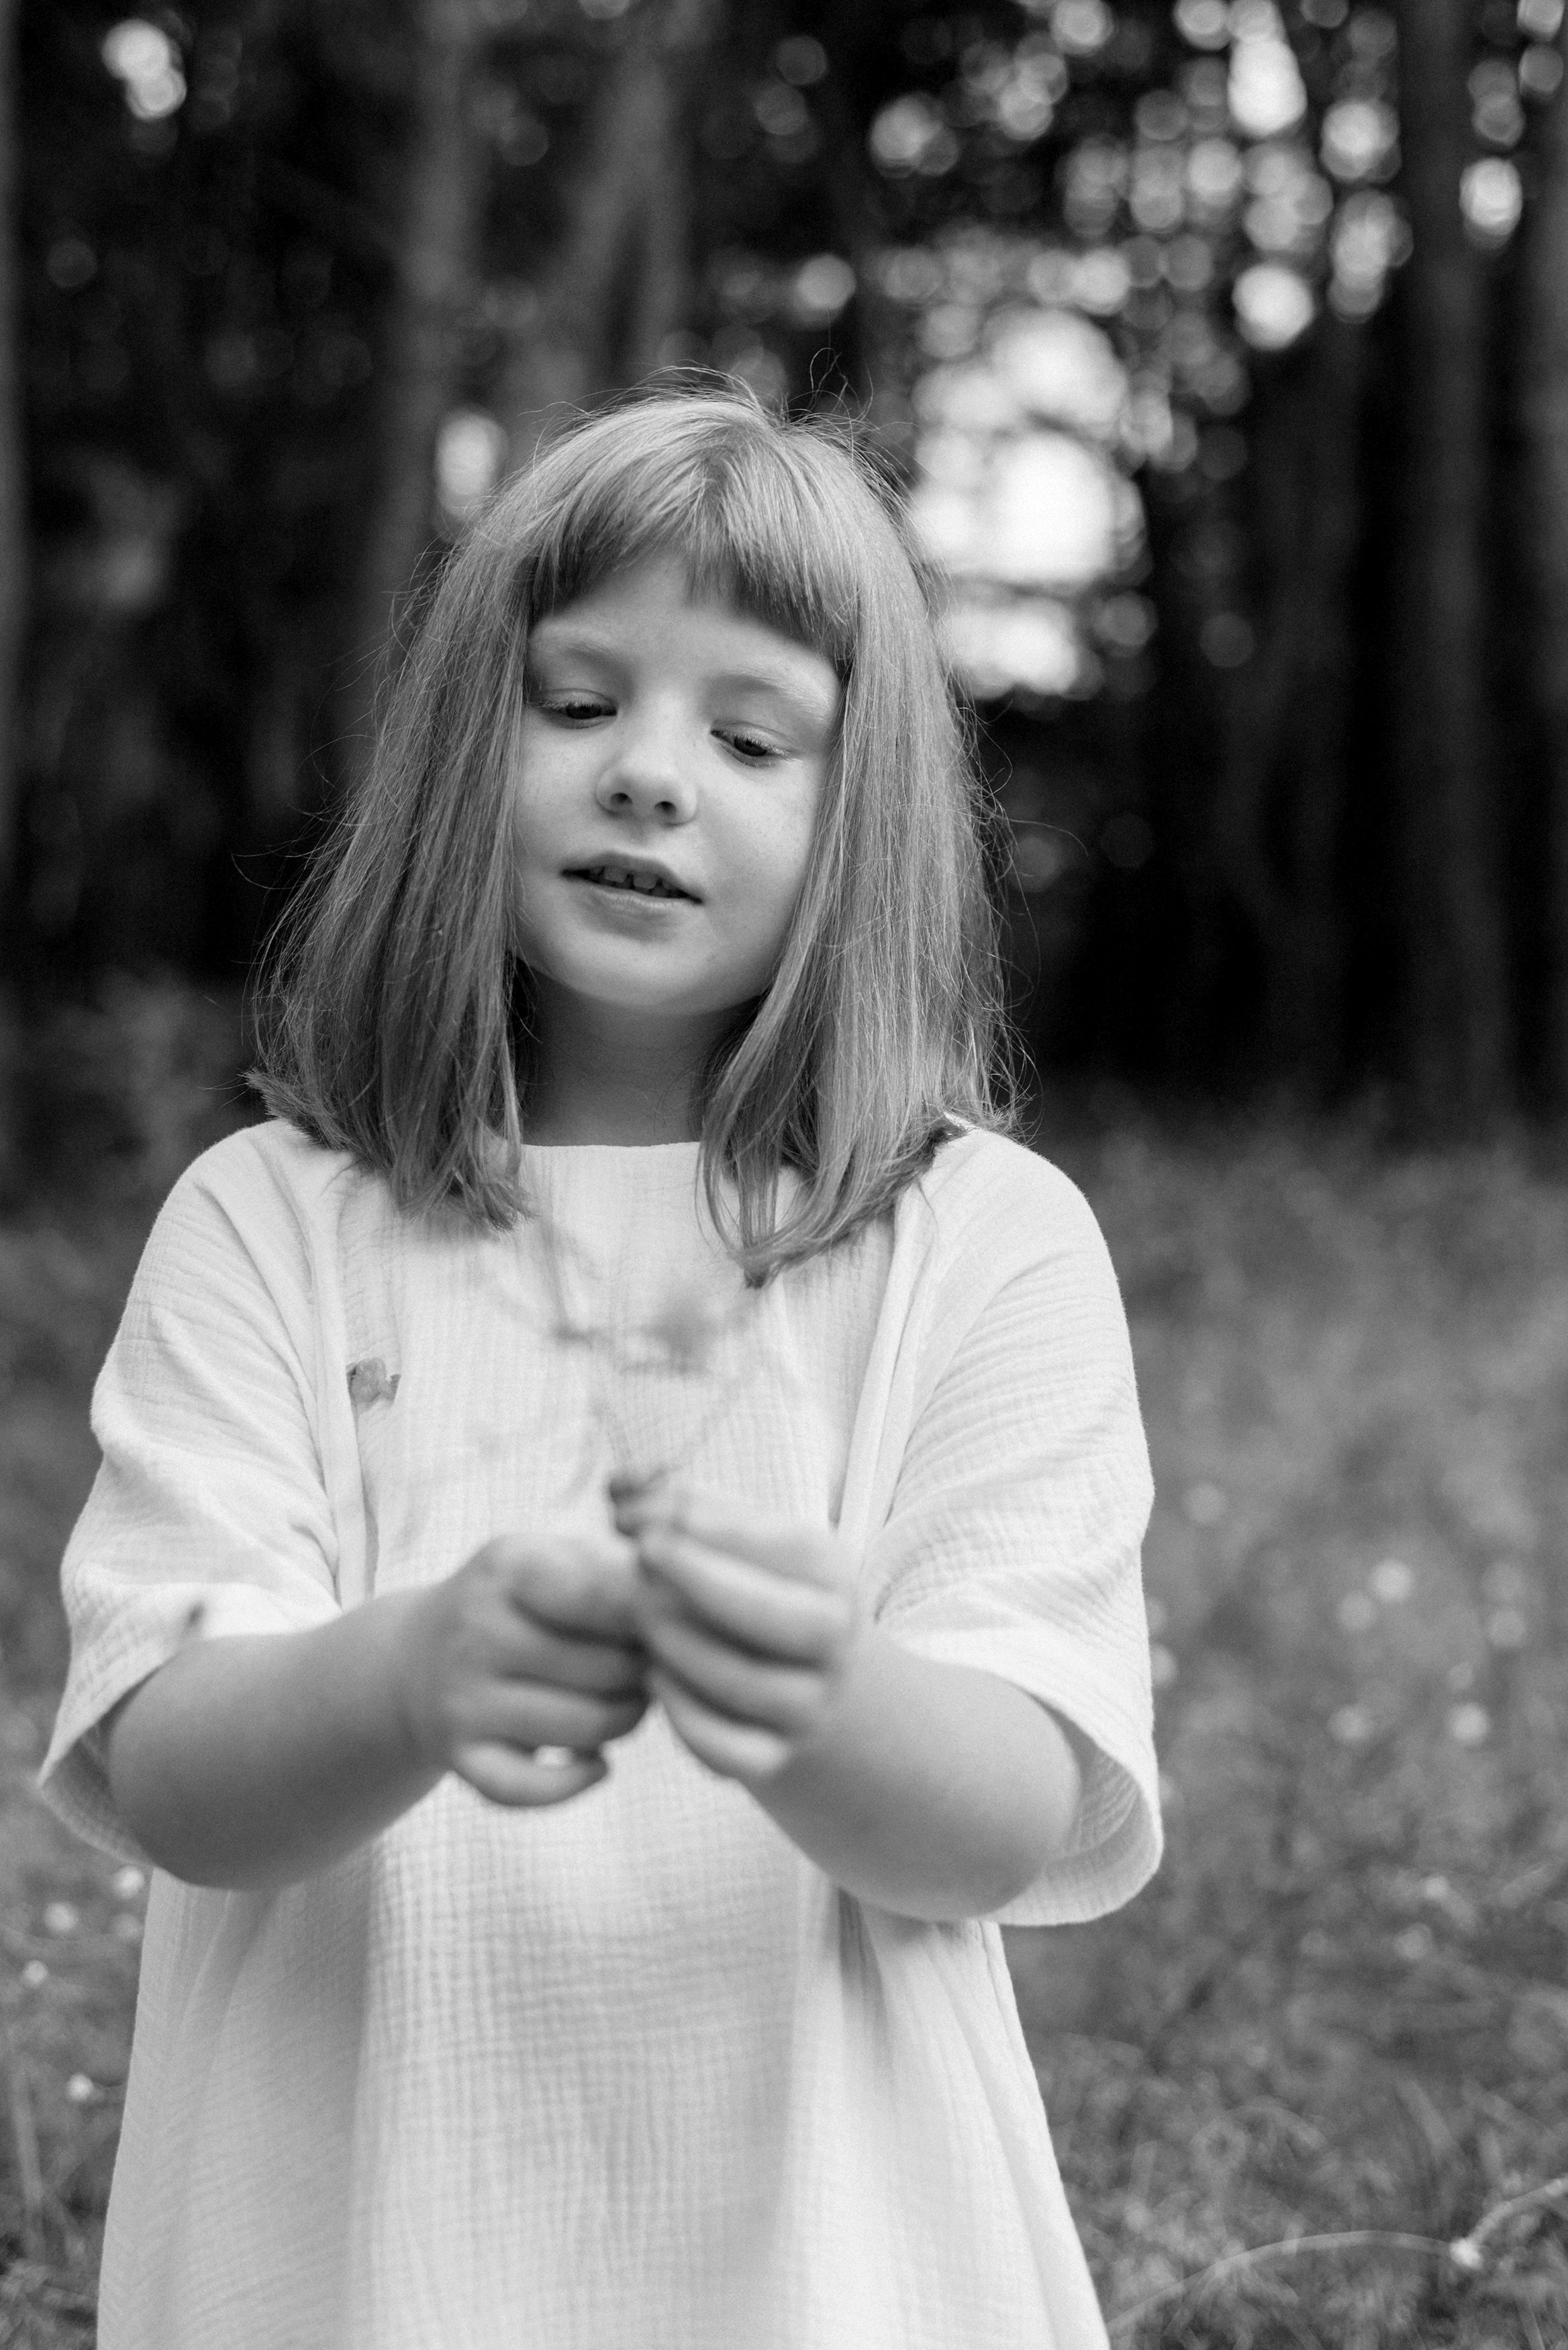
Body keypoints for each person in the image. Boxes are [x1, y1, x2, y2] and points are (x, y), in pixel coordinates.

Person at [41, 384, 1161, 2350]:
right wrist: (411, 1666)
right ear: (459, 749)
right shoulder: (272, 1223)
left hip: (841, 2271)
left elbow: (1009, 1814)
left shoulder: (979, 1244)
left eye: (750, 736)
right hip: (353, 2265)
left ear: (866, 819)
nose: (651, 776)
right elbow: (173, 1770)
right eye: (578, 705)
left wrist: (822, 1686)